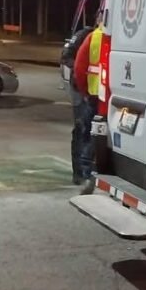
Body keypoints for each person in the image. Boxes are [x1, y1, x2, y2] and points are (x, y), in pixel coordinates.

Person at [72, 16, 103, 195]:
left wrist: (84, 92)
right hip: (111, 97)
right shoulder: (116, 38)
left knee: (89, 135)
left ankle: (86, 175)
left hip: (94, 95)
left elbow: (79, 68)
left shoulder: (93, 37)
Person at [61, 24, 93, 185]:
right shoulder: (84, 35)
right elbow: (66, 56)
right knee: (80, 129)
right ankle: (79, 173)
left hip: (94, 91)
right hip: (79, 88)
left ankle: (89, 169)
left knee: (92, 131)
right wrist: (81, 67)